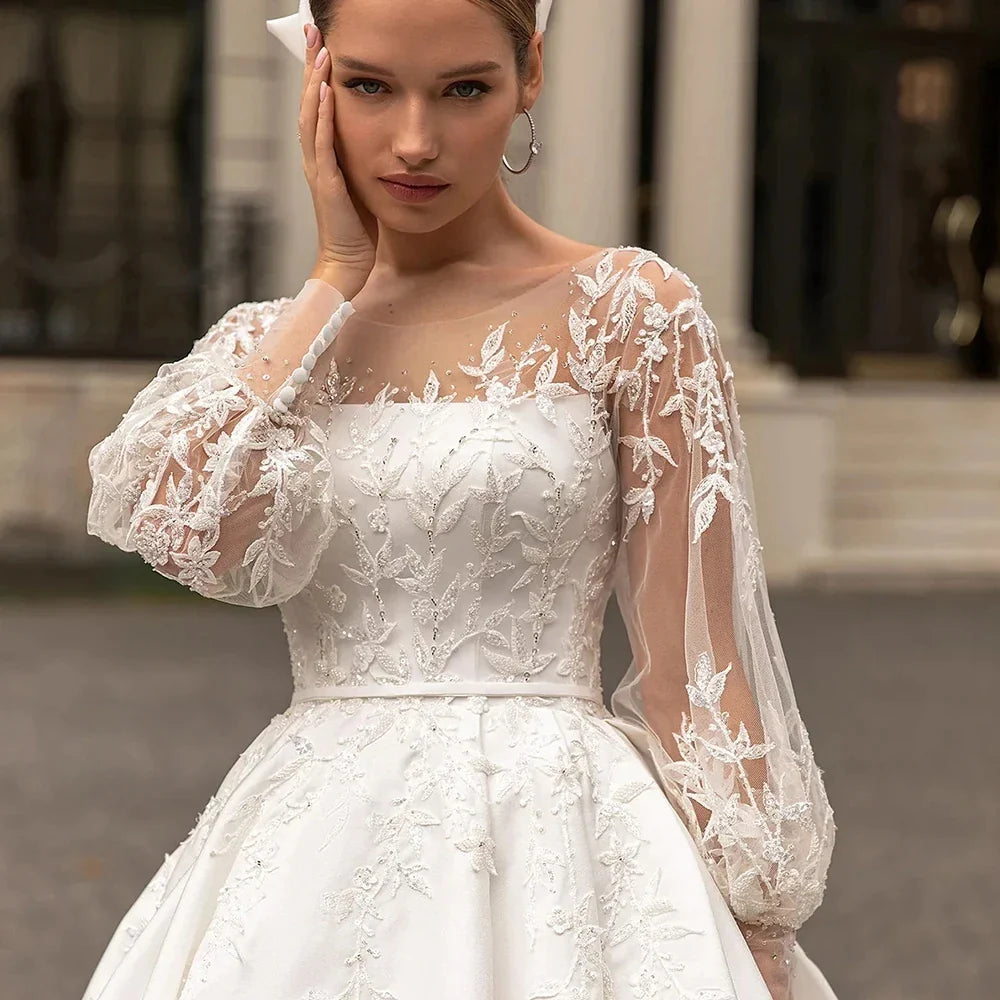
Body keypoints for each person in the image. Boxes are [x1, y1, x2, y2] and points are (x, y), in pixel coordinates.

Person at [81, 1, 839, 998]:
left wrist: (763, 926)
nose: (413, 142)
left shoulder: (630, 313)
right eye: (368, 86)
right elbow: (168, 517)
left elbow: (695, 668)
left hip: (566, 848)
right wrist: (336, 279)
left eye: (464, 90)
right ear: (314, 76)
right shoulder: (275, 341)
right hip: (310, 848)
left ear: (531, 71)